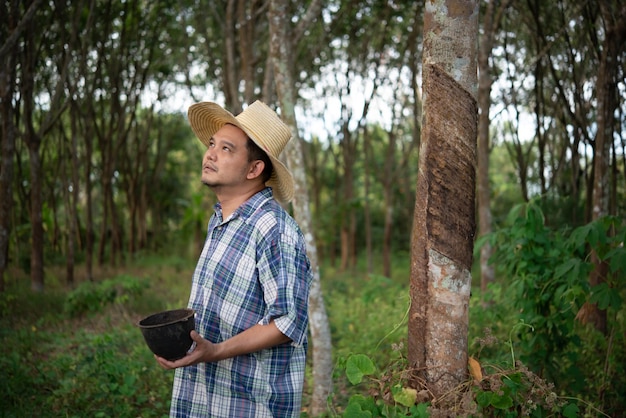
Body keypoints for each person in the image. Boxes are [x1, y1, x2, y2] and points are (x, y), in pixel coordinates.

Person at [155, 101, 313, 418]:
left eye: (226, 149)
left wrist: (215, 352)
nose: (210, 154)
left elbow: (287, 323)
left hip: (248, 404)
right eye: (212, 144)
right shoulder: (221, 222)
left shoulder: (274, 229)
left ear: (254, 169)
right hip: (205, 397)